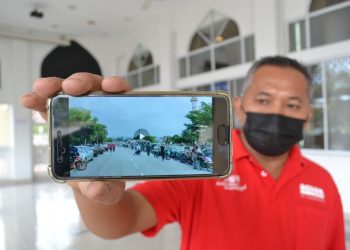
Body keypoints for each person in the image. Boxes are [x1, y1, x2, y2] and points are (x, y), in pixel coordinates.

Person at [20, 56, 345, 250]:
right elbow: (121, 221)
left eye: (292, 104)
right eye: (264, 100)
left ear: (308, 116)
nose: (277, 112)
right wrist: (91, 186)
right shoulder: (203, 168)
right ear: (242, 106)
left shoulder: (323, 182)